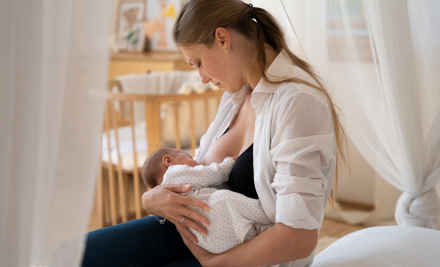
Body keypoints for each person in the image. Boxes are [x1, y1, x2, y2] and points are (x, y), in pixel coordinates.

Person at [80, 0, 348, 266]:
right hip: (198, 233)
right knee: (75, 256)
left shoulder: (297, 102)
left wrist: (215, 263)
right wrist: (152, 200)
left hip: (248, 256)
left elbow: (298, 238)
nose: (202, 78)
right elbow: (196, 175)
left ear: (222, 39)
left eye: (198, 63)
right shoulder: (236, 98)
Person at [142, 148, 274, 254]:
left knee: (252, 230)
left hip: (212, 244)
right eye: (190, 157)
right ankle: (271, 214)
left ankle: (266, 230)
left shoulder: (170, 196)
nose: (196, 162)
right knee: (223, 199)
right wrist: (228, 163)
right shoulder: (173, 173)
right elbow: (212, 174)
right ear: (168, 161)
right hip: (218, 218)